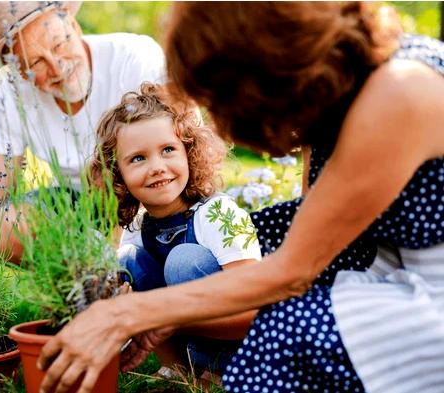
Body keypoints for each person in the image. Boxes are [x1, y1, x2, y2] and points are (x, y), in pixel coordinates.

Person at [36, 2, 444, 393]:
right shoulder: (341, 87)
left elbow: (290, 273)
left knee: (284, 331)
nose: (223, 122)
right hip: (387, 261)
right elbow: (308, 218)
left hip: (430, 299)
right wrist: (160, 311)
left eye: (220, 97)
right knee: (258, 230)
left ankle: (242, 365)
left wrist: (132, 314)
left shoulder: (399, 93)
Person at [88, 82, 262, 375]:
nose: (156, 166)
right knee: (127, 260)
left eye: (168, 149)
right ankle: (179, 373)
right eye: (138, 158)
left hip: (247, 351)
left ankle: (220, 374)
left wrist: (165, 314)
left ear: (189, 152)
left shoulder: (219, 214)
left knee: (183, 259)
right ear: (118, 175)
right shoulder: (139, 226)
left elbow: (255, 311)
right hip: (189, 335)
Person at [0, 1, 166, 262]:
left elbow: (174, 152)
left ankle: (124, 275)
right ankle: (83, 282)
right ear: (19, 70)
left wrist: (116, 247)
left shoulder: (133, 58)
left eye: (59, 45)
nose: (57, 68)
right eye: (37, 61)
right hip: (78, 204)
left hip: (152, 195)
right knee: (4, 226)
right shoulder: (11, 96)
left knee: (140, 255)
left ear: (73, 26)